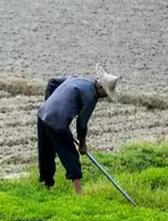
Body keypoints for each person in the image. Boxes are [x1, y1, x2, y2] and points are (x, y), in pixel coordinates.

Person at [36, 64, 121, 194]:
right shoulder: (91, 96)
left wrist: (49, 103)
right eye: (106, 93)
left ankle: (47, 187)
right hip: (57, 122)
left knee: (46, 151)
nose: (105, 97)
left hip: (42, 114)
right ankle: (78, 192)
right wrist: (82, 144)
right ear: (100, 87)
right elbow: (82, 123)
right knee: (70, 154)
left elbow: (52, 82)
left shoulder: (76, 78)